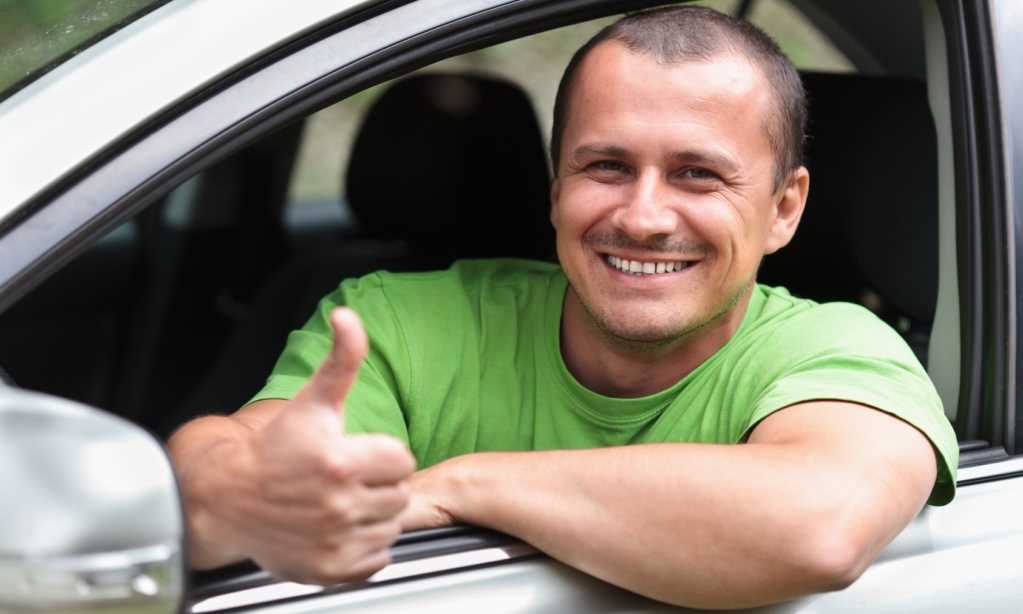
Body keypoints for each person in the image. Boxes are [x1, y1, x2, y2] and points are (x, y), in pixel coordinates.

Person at [168, 6, 958, 609]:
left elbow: (816, 527)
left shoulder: (837, 349)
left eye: (697, 175)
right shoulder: (396, 320)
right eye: (606, 166)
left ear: (784, 209)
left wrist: (461, 485)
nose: (643, 217)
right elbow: (214, 479)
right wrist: (244, 492)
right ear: (556, 188)